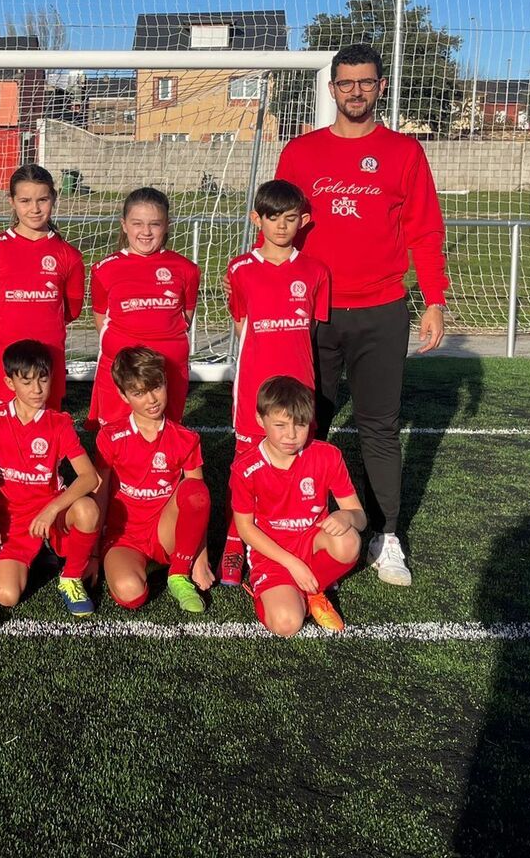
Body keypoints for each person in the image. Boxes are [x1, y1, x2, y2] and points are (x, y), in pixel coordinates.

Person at [274, 41, 449, 586]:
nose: (356, 91)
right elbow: (277, 226)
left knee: (379, 426)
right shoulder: (301, 153)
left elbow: (424, 230)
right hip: (316, 312)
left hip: (381, 310)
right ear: (331, 90)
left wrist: (435, 300)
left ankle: (386, 534)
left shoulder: (403, 152)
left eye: (366, 82)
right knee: (311, 421)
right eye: (346, 83)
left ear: (380, 87)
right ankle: (308, 521)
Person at [217, 178, 331, 587]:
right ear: (256, 219)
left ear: (302, 221)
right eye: (271, 218)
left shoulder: (316, 271)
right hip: (254, 387)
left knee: (295, 464)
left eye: (288, 218)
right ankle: (234, 544)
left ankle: (298, 543)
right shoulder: (240, 269)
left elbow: (314, 332)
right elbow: (241, 323)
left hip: (300, 389)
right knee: (245, 469)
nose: (280, 227)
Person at [0, 338, 102, 617]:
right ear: (9, 383)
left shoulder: (59, 422)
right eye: (27, 381)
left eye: (43, 379)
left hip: (52, 513)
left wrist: (51, 508)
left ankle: (71, 577)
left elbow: (89, 478)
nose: (37, 389)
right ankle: (37, 555)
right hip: (12, 521)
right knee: (6, 595)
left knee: (88, 508)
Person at [230, 376, 365, 635]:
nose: (291, 435)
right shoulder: (246, 468)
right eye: (280, 425)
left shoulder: (327, 456)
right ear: (261, 420)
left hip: (311, 542)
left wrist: (346, 517)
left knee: (348, 541)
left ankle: (313, 592)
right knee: (286, 624)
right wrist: (293, 564)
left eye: (300, 425)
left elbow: (359, 517)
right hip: (272, 554)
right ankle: (286, 591)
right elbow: (245, 529)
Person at [97, 346, 213, 614]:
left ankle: (178, 572)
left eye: (156, 387)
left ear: (165, 381)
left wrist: (201, 555)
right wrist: (92, 554)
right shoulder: (110, 437)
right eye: (138, 393)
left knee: (195, 489)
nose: (151, 399)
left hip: (166, 532)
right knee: (131, 594)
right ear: (123, 395)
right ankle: (138, 564)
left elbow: (199, 502)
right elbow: (100, 494)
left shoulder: (185, 438)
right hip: (125, 536)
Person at [0, 164, 85, 410]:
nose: (34, 208)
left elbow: (72, 310)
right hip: (5, 355)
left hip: (48, 356)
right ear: (11, 201)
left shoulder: (69, 256)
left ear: (54, 198)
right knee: (3, 431)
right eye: (25, 200)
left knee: (46, 430)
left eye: (42, 199)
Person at [87, 187, 200, 430]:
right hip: (121, 365)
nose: (146, 232)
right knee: (114, 435)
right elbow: (100, 319)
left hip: (169, 366)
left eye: (155, 224)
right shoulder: (103, 269)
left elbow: (186, 316)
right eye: (137, 223)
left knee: (165, 432)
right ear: (124, 225)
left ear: (167, 225)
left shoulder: (186, 269)